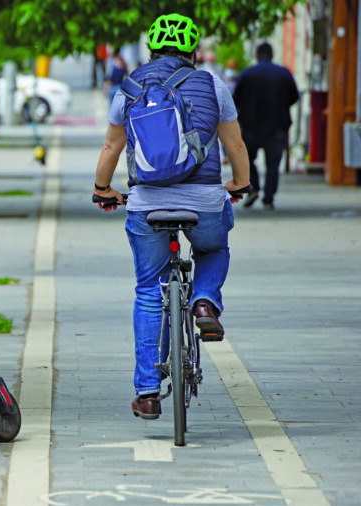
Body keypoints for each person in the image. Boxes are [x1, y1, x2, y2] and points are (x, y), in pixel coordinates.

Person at [92, 13, 250, 420]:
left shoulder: (127, 87)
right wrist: (240, 183)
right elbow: (234, 143)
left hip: (146, 202)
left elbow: (111, 149)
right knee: (214, 249)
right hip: (204, 198)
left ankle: (147, 392)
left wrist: (103, 190)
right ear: (192, 51)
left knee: (149, 289)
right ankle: (203, 302)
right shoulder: (212, 83)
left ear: (151, 50)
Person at [233, 42, 299, 210]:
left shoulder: (246, 74)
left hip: (251, 124)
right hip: (277, 125)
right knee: (273, 164)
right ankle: (268, 199)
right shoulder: (284, 74)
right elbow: (294, 96)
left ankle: (254, 186)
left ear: (256, 56)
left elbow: (236, 99)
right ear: (272, 55)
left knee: (247, 159)